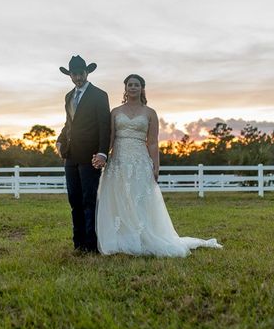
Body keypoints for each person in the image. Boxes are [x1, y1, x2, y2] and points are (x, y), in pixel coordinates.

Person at [94, 74, 222, 257]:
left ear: (142, 88)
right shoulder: (115, 112)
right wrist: (104, 157)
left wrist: (156, 166)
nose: (132, 88)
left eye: (136, 85)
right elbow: (111, 139)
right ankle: (122, 239)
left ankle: (142, 238)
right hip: (118, 161)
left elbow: (153, 142)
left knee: (139, 200)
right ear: (125, 88)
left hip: (140, 160)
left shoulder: (150, 113)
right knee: (119, 199)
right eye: (129, 85)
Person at [56, 55, 111, 253]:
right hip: (70, 155)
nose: (78, 78)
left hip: (90, 155)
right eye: (74, 74)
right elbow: (69, 123)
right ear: (70, 75)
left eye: (81, 74)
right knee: (74, 199)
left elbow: (105, 126)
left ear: (87, 73)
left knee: (89, 200)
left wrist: (103, 153)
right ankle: (78, 243)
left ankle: (91, 244)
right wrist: (60, 140)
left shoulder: (99, 95)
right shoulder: (68, 96)